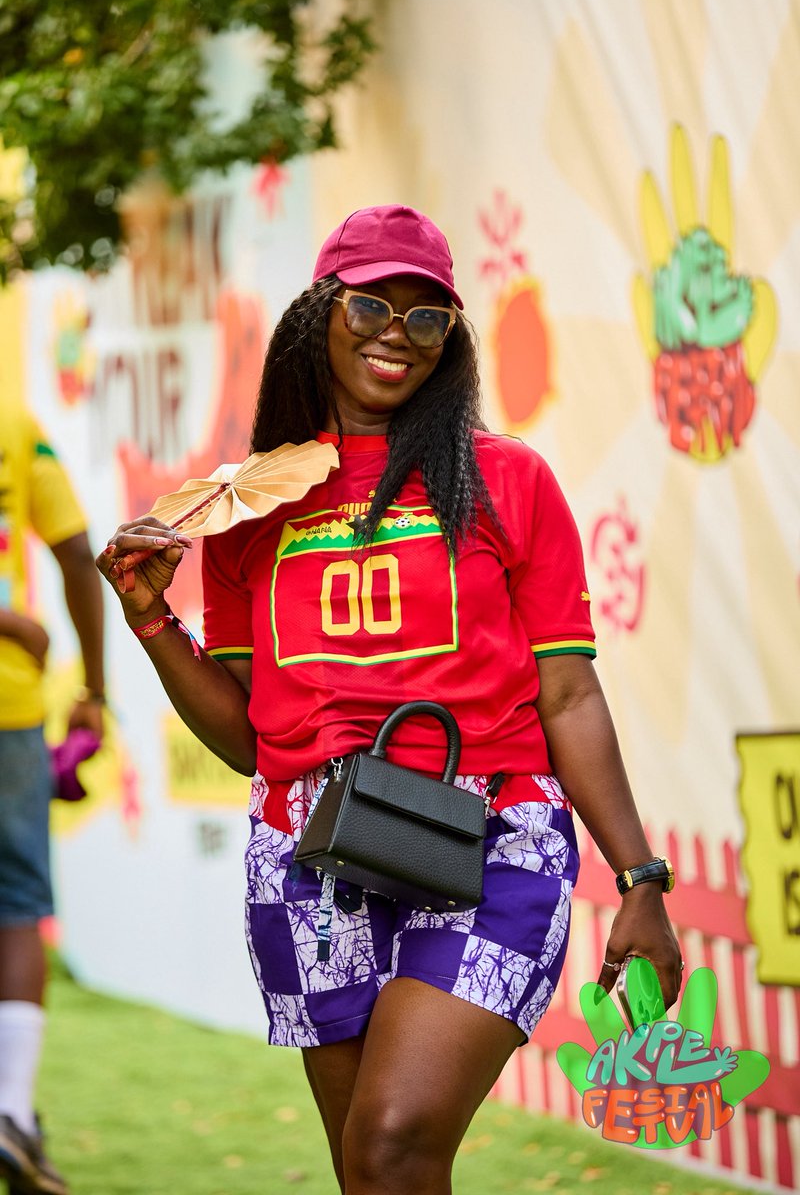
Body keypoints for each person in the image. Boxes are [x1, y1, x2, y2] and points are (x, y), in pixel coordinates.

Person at [97, 204, 682, 1194]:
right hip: (310, 851)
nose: (397, 334)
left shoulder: (507, 479)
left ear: (450, 337)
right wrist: (152, 619)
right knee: (373, 1174)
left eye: (427, 316)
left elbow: (569, 695)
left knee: (393, 1140)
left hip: (492, 836)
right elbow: (246, 738)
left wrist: (640, 879)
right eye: (371, 305)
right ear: (319, 313)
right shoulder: (248, 505)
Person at [0, 403, 106, 1195]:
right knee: (16, 908)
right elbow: (75, 549)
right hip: (9, 701)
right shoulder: (12, 420)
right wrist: (93, 691)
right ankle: (11, 1113)